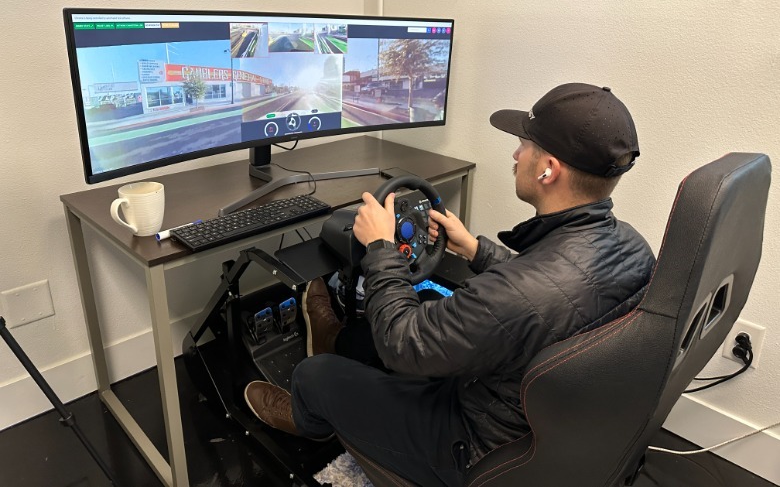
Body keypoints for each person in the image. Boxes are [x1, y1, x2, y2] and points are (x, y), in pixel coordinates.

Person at [244, 83, 656, 486]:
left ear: (549, 169)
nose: (516, 153)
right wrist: (477, 251)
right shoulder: (633, 248)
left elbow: (404, 345)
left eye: (525, 145)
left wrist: (382, 247)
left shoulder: (518, 293)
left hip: (472, 447)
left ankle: (309, 420)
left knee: (316, 375)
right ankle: (336, 344)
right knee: (382, 325)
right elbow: (559, 289)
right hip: (536, 417)